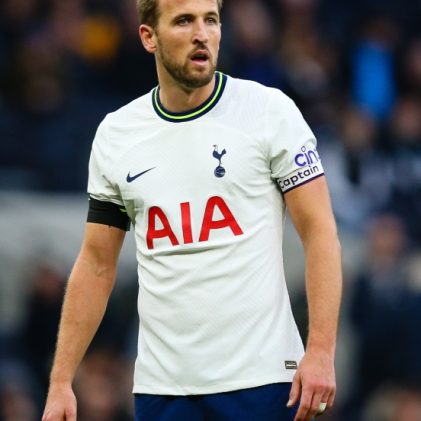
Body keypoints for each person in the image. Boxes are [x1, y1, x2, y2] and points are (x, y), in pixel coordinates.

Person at [42, 0, 342, 420]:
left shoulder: (268, 112)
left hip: (263, 381)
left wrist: (321, 351)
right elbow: (96, 263)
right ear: (149, 37)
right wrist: (60, 381)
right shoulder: (117, 134)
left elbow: (319, 231)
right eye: (184, 21)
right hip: (163, 390)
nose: (202, 34)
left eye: (211, 20)